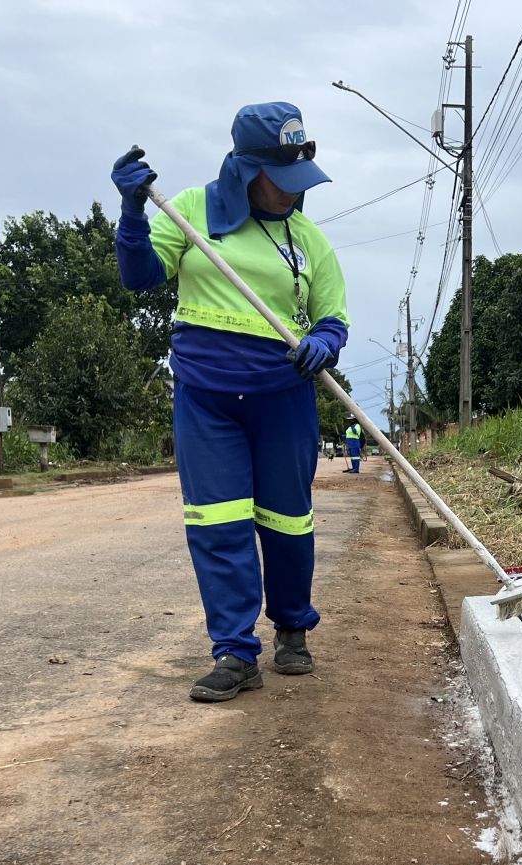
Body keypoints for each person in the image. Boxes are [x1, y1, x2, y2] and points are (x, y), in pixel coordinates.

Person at [111, 102, 349, 703]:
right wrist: (132, 217)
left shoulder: (309, 239)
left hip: (282, 397)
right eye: (282, 181)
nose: (294, 195)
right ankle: (235, 652)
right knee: (217, 524)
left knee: (288, 523)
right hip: (208, 398)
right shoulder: (190, 212)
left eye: (301, 181)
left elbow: (333, 314)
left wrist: (325, 339)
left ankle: (293, 627)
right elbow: (141, 278)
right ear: (246, 170)